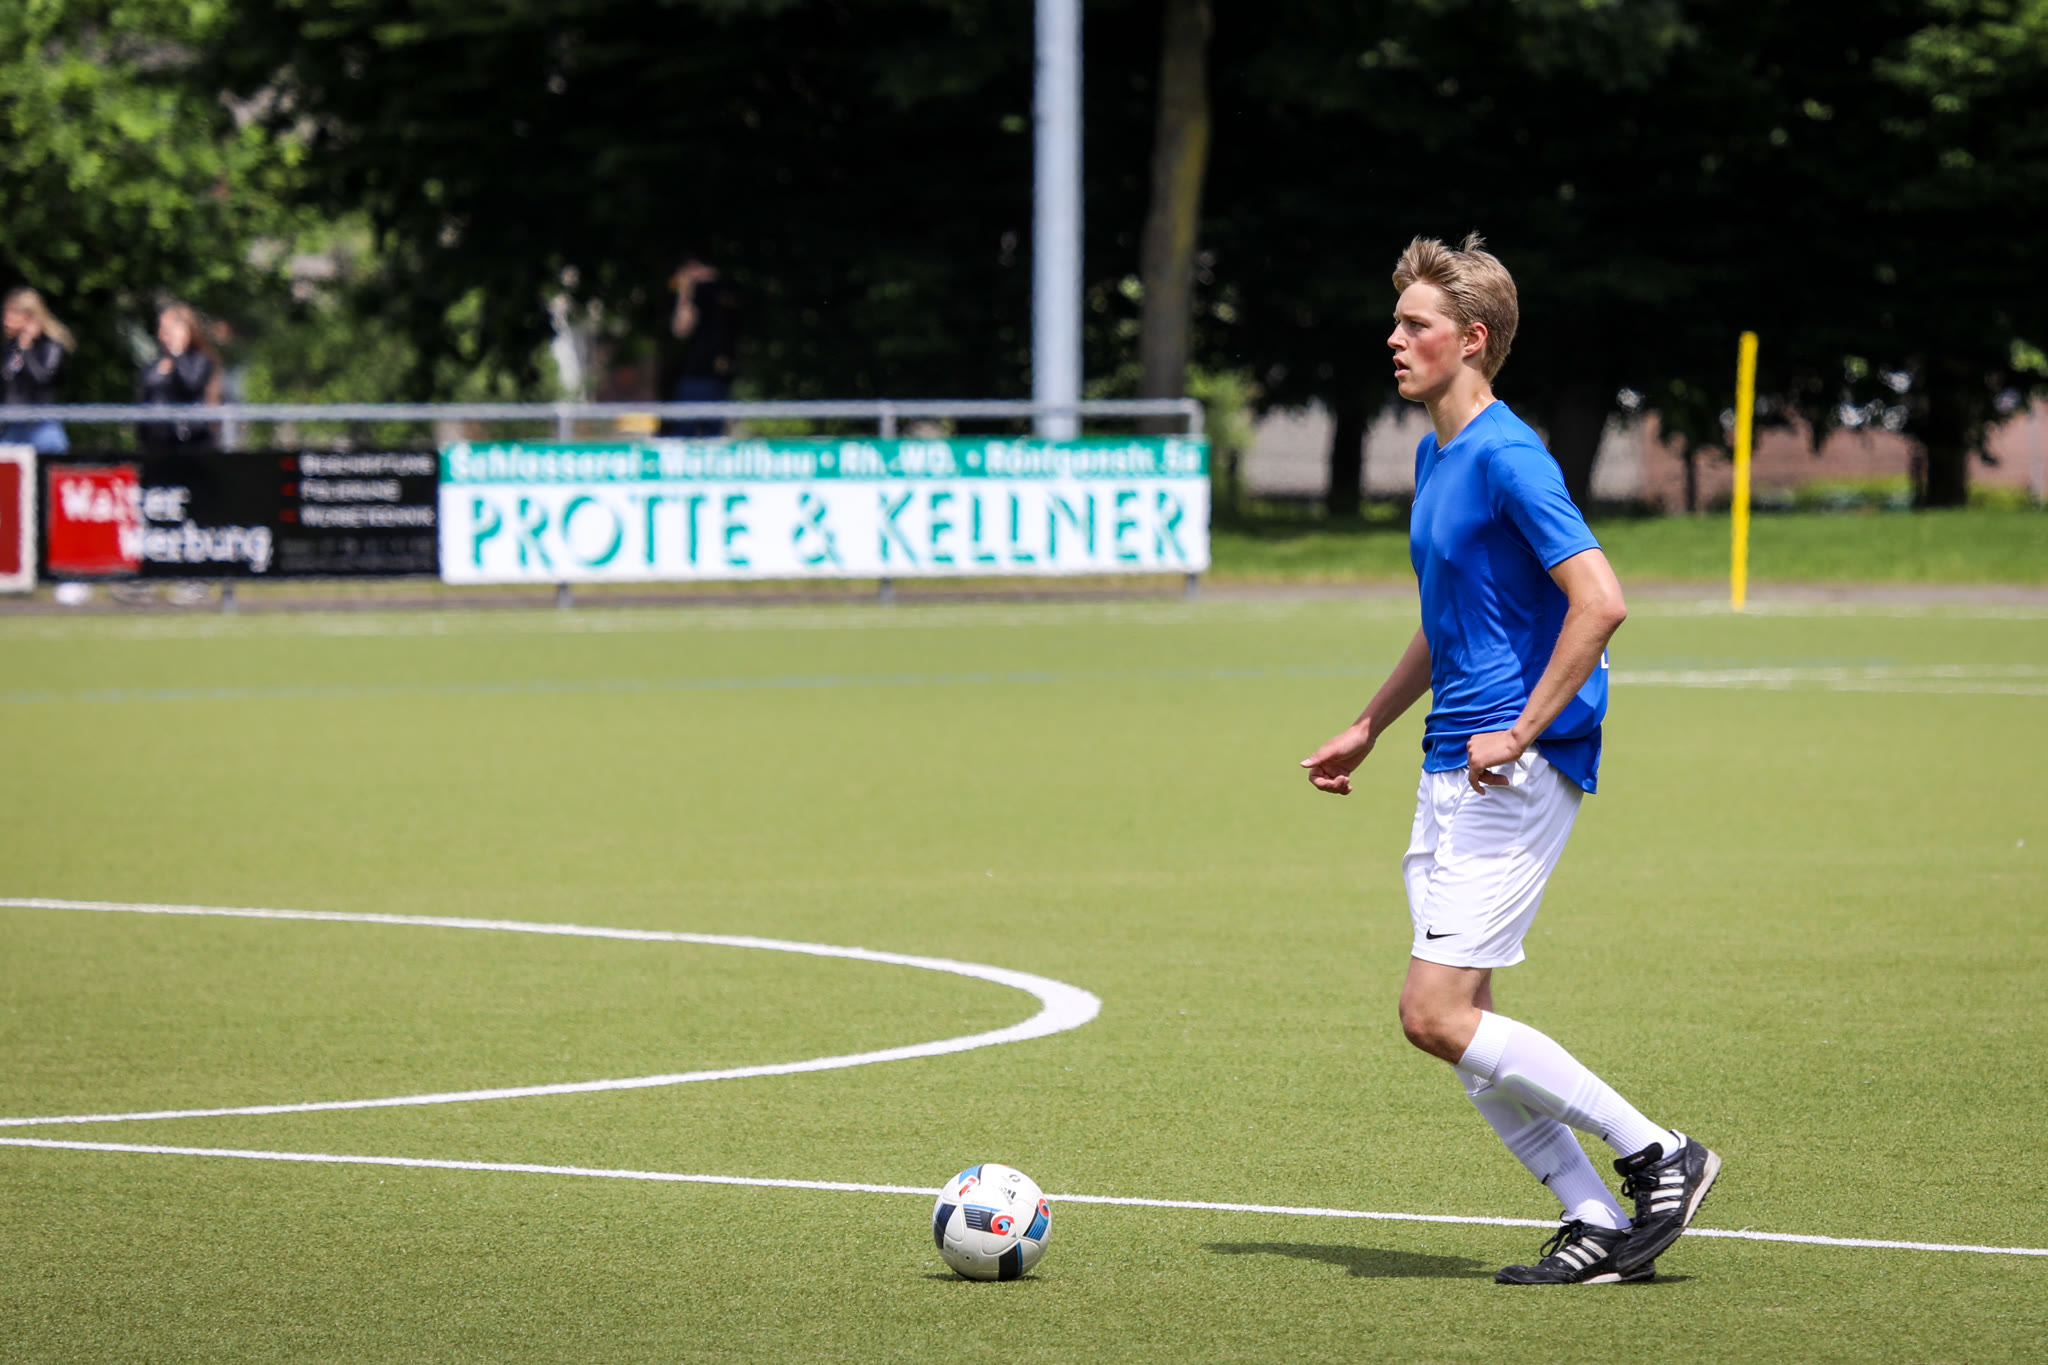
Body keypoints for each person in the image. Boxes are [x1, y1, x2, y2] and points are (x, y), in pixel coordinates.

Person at [1300, 234, 1719, 1286]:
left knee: (1431, 1013)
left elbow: (1600, 601)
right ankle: (1592, 1217)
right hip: (1448, 763)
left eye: (1416, 325)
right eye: (1396, 321)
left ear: (1472, 339)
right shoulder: (1436, 456)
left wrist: (1524, 728)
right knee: (1463, 1024)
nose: (1393, 339)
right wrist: (1370, 724)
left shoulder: (1508, 455)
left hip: (1511, 769)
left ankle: (1656, 1152)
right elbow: (1448, 618)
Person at [657, 254, 739, 437]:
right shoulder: (694, 295)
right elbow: (680, 329)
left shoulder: (726, 292)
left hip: (718, 379)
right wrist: (685, 291)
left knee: (714, 436)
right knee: (684, 435)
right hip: (694, 377)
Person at [136, 301, 218, 452]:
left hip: (190, 443)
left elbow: (191, 385)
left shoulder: (200, 361)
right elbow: (143, 402)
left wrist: (177, 355)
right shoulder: (151, 366)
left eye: (171, 329)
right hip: (155, 444)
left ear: (187, 330)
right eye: (163, 328)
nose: (165, 334)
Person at [2, 287, 75, 453]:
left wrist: (26, 348)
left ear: (29, 316)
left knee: (46, 465)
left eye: (12, 313)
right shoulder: (11, 348)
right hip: (12, 426)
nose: (6, 319)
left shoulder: (51, 346)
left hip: (42, 426)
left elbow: (42, 379)